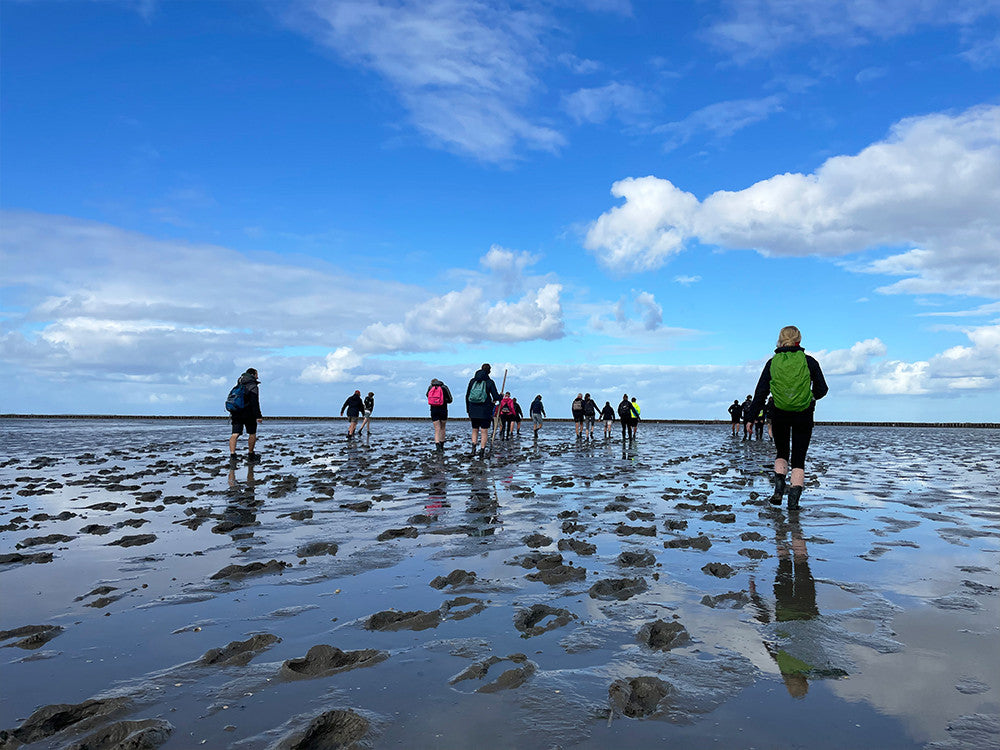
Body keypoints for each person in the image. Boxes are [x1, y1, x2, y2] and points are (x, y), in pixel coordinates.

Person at [749, 326, 829, 510]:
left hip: (779, 413)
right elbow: (822, 389)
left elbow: (761, 393)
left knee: (782, 452)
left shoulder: (772, 362)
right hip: (804, 415)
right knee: (799, 458)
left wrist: (751, 418)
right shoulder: (809, 362)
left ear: (780, 340)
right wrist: (810, 398)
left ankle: (778, 489)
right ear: (798, 341)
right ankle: (793, 504)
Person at [227, 368, 262, 466]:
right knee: (252, 433)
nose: (258, 377)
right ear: (252, 374)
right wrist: (258, 416)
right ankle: (251, 454)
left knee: (235, 434)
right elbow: (254, 402)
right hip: (249, 413)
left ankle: (232, 456)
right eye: (256, 374)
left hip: (236, 412)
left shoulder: (239, 384)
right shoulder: (253, 386)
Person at [466, 364, 500, 458]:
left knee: (474, 430)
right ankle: (482, 451)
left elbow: (467, 396)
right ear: (489, 371)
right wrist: (501, 396)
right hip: (485, 410)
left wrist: (468, 410)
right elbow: (495, 397)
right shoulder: (489, 382)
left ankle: (473, 450)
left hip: (473, 409)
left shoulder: (472, 381)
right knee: (484, 431)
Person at [426, 378, 453, 450]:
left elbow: (427, 396)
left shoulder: (430, 387)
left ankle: (437, 445)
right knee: (443, 427)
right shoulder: (444, 387)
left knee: (437, 428)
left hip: (433, 409)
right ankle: (442, 445)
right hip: (443, 409)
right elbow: (450, 399)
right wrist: (443, 400)